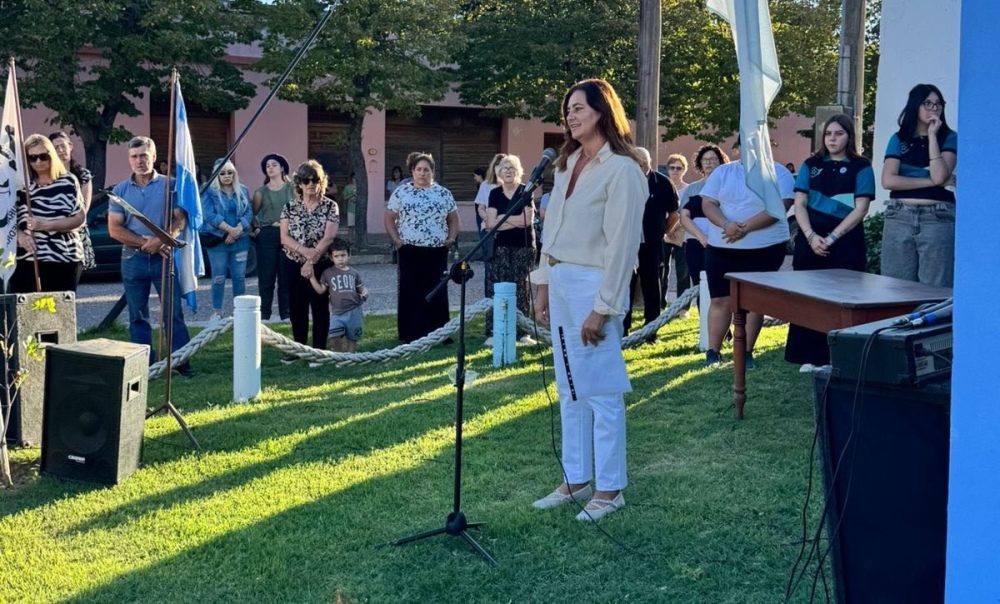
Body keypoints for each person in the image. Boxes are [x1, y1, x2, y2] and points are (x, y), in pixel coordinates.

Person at [530, 78, 646, 522]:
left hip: (592, 285)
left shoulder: (623, 168)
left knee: (600, 389)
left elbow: (622, 247)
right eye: (567, 110)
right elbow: (551, 231)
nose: (571, 116)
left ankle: (610, 488)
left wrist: (604, 307)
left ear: (602, 111)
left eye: (578, 108)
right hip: (559, 281)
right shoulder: (566, 164)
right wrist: (542, 283)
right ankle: (575, 478)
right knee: (569, 387)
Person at [786, 114, 875, 367]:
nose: (833, 138)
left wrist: (833, 237)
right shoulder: (810, 164)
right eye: (828, 134)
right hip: (810, 238)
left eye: (839, 133)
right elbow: (800, 204)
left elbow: (861, 208)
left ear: (849, 136)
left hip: (845, 240)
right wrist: (811, 236)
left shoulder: (861, 166)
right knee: (808, 298)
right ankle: (808, 356)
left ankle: (839, 356)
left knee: (843, 298)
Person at [700, 145, 795, 369]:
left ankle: (745, 353)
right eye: (746, 145)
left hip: (765, 249)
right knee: (719, 299)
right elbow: (708, 203)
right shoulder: (723, 172)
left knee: (754, 304)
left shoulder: (779, 172)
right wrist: (726, 224)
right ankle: (713, 352)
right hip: (721, 248)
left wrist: (744, 228)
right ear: (738, 147)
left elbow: (780, 206)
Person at [108, 136, 194, 377]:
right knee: (137, 314)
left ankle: (180, 360)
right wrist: (147, 242)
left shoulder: (171, 185)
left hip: (164, 257)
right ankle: (142, 364)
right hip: (132, 259)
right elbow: (115, 229)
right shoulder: (120, 191)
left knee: (172, 312)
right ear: (128, 159)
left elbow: (180, 219)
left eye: (144, 155)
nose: (139, 161)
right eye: (134, 157)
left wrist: (162, 239)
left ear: (154, 157)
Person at [880, 83, 957, 287]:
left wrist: (932, 136)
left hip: (937, 217)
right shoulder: (898, 139)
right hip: (899, 215)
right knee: (895, 287)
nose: (934, 108)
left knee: (935, 289)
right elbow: (888, 180)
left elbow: (940, 175)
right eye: (928, 103)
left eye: (938, 104)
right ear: (915, 105)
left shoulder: (949, 137)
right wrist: (929, 181)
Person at [385, 152, 459, 344]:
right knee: (410, 291)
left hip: (436, 251)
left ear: (433, 172)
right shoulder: (402, 192)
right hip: (410, 250)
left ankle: (439, 333)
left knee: (437, 291)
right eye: (419, 169)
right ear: (412, 171)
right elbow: (389, 218)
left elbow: (453, 218)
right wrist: (397, 240)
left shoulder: (443, 193)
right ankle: (411, 333)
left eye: (426, 170)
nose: (422, 173)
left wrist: (450, 238)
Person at [279, 160, 340, 363]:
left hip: (320, 263)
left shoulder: (331, 206)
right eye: (306, 180)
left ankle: (319, 351)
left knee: (320, 305)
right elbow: (284, 237)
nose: (311, 184)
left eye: (315, 180)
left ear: (321, 182)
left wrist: (311, 261)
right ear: (299, 183)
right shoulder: (289, 206)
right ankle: (299, 347)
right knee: (297, 306)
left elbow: (329, 237)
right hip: (293, 262)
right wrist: (305, 254)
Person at [11, 134, 85, 293]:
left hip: (64, 256)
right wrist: (20, 236)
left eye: (43, 156)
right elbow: (6, 219)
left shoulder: (68, 181)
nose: (38, 162)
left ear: (52, 155)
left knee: (58, 313)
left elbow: (79, 218)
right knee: (29, 313)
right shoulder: (20, 185)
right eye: (33, 157)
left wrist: (46, 225)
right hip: (27, 258)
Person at [623, 147, 678, 340]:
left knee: (652, 284)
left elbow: (674, 214)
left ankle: (651, 328)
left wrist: (662, 232)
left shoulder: (662, 183)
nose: (639, 167)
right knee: (625, 284)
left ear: (647, 164)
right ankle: (623, 328)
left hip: (652, 242)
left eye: (642, 164)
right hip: (626, 241)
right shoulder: (624, 181)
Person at [484, 154, 536, 346]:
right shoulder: (494, 194)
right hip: (499, 248)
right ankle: (493, 331)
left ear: (518, 172)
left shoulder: (525, 191)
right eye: (504, 168)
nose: (508, 171)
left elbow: (527, 221)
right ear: (498, 172)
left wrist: (502, 218)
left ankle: (522, 332)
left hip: (522, 247)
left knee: (521, 287)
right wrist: (514, 220)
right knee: (496, 287)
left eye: (512, 168)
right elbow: (490, 224)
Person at [201, 158, 253, 322]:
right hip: (218, 241)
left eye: (230, 172)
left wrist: (238, 229)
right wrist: (229, 230)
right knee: (218, 277)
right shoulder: (208, 191)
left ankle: (240, 311)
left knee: (239, 277)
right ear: (216, 175)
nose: (226, 176)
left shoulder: (243, 191)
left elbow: (248, 213)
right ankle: (216, 311)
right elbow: (208, 214)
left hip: (240, 240)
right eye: (222, 173)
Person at [252, 153, 294, 321]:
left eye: (274, 165)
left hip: (288, 235)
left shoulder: (292, 189)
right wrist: (256, 229)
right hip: (267, 234)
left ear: (282, 167)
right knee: (266, 277)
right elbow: (251, 214)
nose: (270, 167)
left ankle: (286, 313)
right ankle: (264, 314)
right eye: (267, 165)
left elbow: (299, 211)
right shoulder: (260, 191)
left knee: (286, 276)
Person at [308, 237, 369, 355]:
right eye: (336, 256)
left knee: (352, 337)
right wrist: (312, 278)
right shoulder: (327, 273)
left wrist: (365, 292)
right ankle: (338, 355)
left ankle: (350, 356)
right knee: (334, 335)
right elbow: (321, 290)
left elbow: (361, 288)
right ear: (331, 258)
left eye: (343, 255)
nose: (340, 259)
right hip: (337, 313)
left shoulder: (354, 273)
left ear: (349, 255)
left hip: (354, 311)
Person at [49, 131, 96, 277]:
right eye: (55, 148)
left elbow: (84, 208)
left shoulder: (83, 175)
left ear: (70, 146)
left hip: (76, 232)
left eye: (63, 146)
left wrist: (71, 224)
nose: (60, 151)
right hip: (51, 234)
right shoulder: (47, 176)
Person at [661, 153, 690, 311]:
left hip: (683, 233)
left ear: (684, 170)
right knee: (663, 270)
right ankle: (661, 304)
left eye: (679, 168)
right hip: (664, 232)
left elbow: (686, 212)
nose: (675, 171)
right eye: (672, 167)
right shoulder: (664, 186)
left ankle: (683, 307)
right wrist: (667, 230)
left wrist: (674, 228)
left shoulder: (688, 189)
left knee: (683, 272)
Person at [474, 153, 504, 287]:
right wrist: (488, 218)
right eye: (499, 166)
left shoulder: (516, 186)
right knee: (490, 268)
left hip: (509, 230)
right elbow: (480, 207)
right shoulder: (486, 185)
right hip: (489, 230)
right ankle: (489, 301)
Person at [342, 172, 357, 238]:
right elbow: (344, 198)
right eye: (354, 178)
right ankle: (350, 240)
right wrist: (352, 195)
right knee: (350, 226)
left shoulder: (361, 187)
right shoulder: (347, 187)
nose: (355, 179)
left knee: (358, 227)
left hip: (359, 209)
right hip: (350, 209)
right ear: (351, 178)